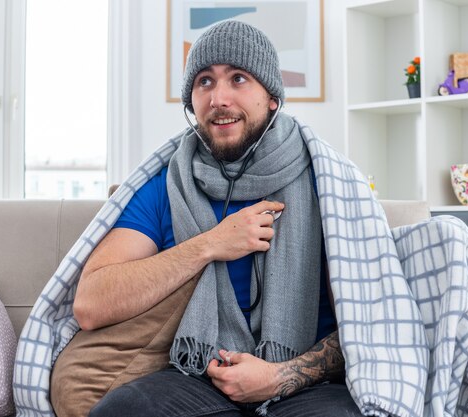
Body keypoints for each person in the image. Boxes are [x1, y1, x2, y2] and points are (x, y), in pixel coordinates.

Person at [76, 20, 362, 417]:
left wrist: (280, 375)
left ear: (272, 97)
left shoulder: (325, 182)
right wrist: (211, 244)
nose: (219, 98)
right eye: (205, 82)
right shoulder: (168, 184)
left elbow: (366, 326)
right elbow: (90, 303)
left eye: (239, 78)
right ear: (191, 101)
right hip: (198, 377)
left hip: (306, 382)